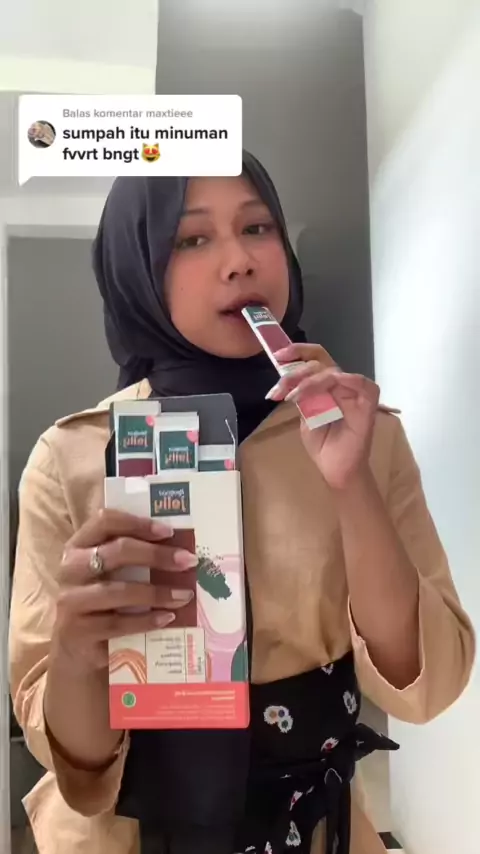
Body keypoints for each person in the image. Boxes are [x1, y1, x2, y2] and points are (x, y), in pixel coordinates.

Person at [9, 152, 475, 854]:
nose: (239, 262)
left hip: (314, 826)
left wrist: (351, 486)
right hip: (124, 836)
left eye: (258, 228)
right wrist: (78, 651)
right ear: (137, 270)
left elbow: (428, 686)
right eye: (192, 239)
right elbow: (76, 766)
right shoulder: (71, 457)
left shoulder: (365, 434)